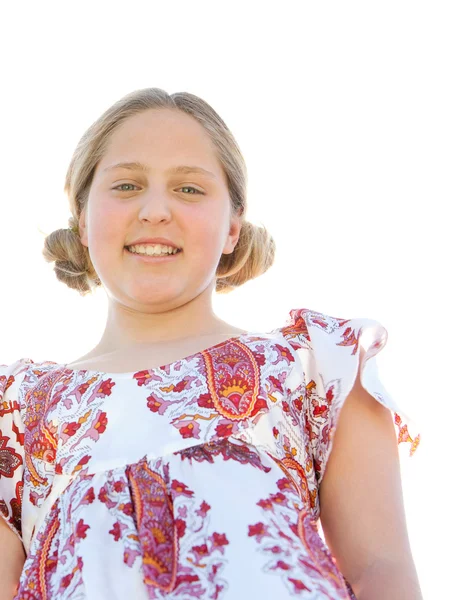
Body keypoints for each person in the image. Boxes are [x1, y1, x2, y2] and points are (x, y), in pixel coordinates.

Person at [0, 88, 422, 600]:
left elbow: (382, 568)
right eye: (128, 184)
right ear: (83, 218)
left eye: (190, 189)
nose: (155, 210)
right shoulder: (16, 411)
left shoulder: (314, 364)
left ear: (232, 229)